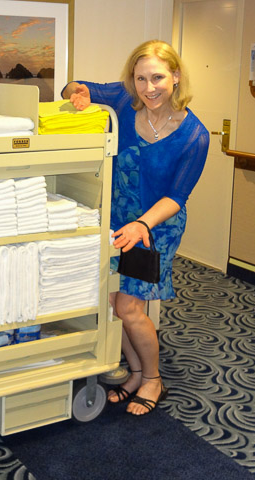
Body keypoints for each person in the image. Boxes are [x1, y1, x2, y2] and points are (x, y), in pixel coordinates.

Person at [62, 40, 209, 416]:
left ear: (175, 77)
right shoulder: (126, 101)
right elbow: (76, 86)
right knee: (114, 301)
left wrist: (142, 224)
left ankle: (154, 379)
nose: (149, 87)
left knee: (129, 306)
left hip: (155, 228)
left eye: (158, 77)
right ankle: (137, 372)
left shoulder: (195, 136)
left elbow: (177, 196)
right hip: (118, 220)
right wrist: (74, 94)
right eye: (141, 78)